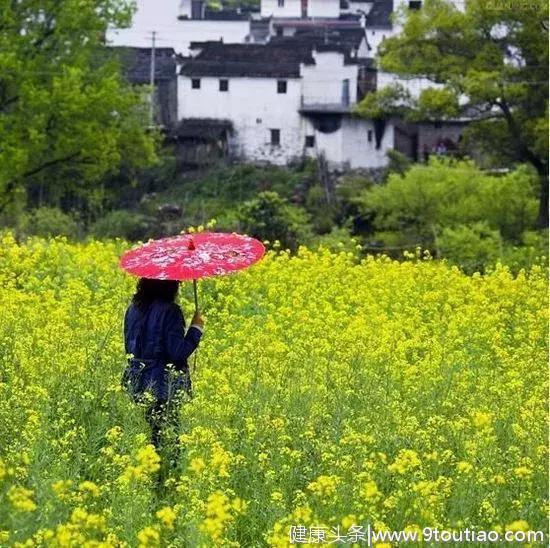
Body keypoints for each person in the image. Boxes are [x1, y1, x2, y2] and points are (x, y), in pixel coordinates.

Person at [122, 277, 204, 462]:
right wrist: (196, 328)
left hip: (137, 383)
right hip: (162, 386)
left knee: (147, 438)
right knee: (167, 441)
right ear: (169, 285)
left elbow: (129, 348)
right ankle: (166, 483)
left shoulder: (132, 309)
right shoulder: (170, 311)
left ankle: (150, 479)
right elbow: (177, 353)